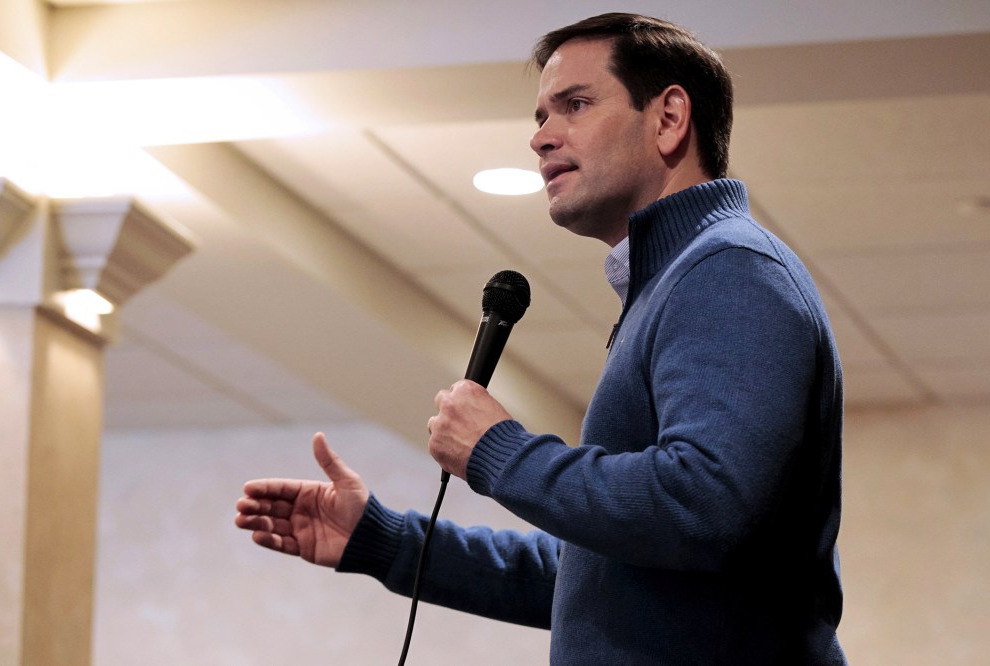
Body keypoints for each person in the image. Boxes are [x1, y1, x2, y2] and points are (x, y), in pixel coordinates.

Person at [235, 12, 847, 665]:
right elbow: (604, 576)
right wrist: (383, 541)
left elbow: (703, 505)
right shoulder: (679, 281)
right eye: (539, 118)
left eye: (575, 105)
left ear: (669, 118)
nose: (542, 138)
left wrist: (500, 451)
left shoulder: (728, 269)